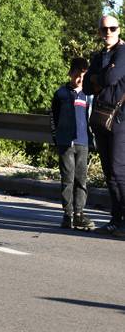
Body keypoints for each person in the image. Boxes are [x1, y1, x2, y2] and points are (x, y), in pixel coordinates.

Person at [84, 14, 125, 236]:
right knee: (109, 173)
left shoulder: (123, 52)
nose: (108, 32)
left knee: (119, 171)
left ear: (119, 29)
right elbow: (87, 86)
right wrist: (101, 75)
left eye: (112, 28)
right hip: (101, 118)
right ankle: (115, 220)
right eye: (104, 29)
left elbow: (110, 79)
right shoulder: (99, 55)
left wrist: (97, 78)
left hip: (120, 119)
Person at [51, 57, 94, 230]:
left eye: (83, 76)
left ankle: (79, 214)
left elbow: (92, 118)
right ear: (70, 73)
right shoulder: (60, 93)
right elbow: (53, 117)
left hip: (83, 143)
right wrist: (57, 137)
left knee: (81, 180)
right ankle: (67, 215)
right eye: (77, 75)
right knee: (67, 179)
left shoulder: (89, 95)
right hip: (65, 143)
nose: (79, 79)